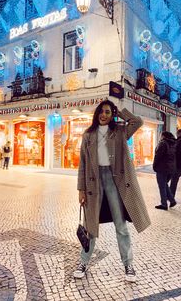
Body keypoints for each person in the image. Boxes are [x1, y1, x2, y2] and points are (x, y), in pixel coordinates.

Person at [74, 99, 150, 282]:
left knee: (121, 226)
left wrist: (119, 110)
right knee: (90, 226)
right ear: (96, 113)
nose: (104, 115)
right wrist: (81, 189)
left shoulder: (120, 132)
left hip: (114, 181)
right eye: (101, 111)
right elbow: (82, 164)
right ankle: (83, 262)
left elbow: (137, 122)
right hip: (93, 182)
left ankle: (128, 264)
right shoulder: (88, 135)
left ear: (112, 114)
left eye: (108, 112)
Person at [153, 131, 177, 210]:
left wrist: (154, 165)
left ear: (163, 136)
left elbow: (158, 156)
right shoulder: (173, 143)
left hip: (162, 168)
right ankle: (172, 201)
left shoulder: (163, 143)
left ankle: (164, 204)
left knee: (162, 186)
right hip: (170, 168)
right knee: (164, 185)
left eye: (161, 135)